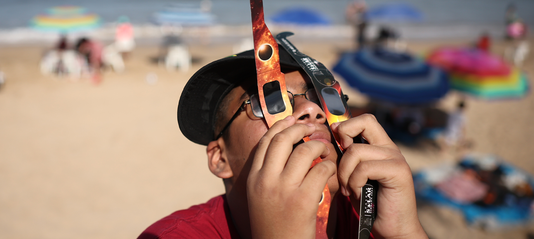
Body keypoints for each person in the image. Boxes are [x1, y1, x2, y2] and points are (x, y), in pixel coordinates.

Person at [139, 47, 428, 239]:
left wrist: (405, 232)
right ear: (220, 159)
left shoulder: (371, 216)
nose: (310, 109)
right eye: (270, 101)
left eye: (320, 97)